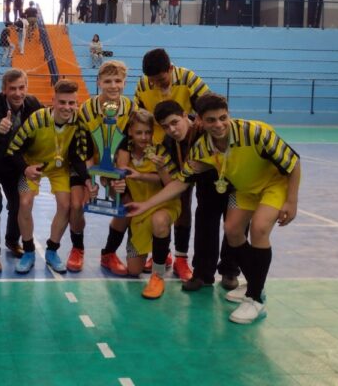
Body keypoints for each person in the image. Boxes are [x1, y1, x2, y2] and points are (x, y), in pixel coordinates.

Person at [127, 93, 301, 324]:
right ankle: (255, 282)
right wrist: (145, 205)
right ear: (200, 120)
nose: (218, 125)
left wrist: (291, 200)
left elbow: (294, 162)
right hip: (244, 190)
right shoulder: (201, 148)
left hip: (272, 186)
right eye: (211, 120)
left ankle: (255, 298)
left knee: (259, 229)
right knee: (232, 230)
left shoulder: (254, 132)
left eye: (222, 118)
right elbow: (181, 181)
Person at [134, 48, 210, 275]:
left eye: (161, 79)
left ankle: (181, 257)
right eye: (153, 81)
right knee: (163, 202)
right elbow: (140, 118)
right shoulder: (144, 85)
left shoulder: (189, 79)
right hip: (160, 151)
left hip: (189, 147)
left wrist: (197, 122)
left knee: (185, 201)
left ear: (170, 69)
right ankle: (161, 253)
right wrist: (145, 150)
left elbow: (209, 108)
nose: (157, 84)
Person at [152, 100, 239, 292]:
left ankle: (230, 271)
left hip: (234, 184)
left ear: (185, 115)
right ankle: (202, 274)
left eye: (175, 122)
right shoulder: (169, 143)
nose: (172, 130)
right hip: (205, 186)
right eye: (166, 127)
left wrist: (211, 164)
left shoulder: (206, 127)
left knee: (234, 228)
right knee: (204, 228)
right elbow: (178, 179)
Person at [6, 79, 91, 274]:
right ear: (53, 100)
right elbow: (13, 150)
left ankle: (52, 250)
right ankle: (28, 251)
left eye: (71, 103)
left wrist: (86, 179)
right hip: (32, 165)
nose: (67, 107)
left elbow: (79, 155)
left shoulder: (78, 122)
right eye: (62, 102)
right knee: (25, 202)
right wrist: (26, 168)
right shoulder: (37, 119)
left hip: (60, 168)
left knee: (66, 205)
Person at [73, 60, 136, 275]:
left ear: (124, 83)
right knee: (77, 202)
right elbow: (85, 148)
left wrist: (120, 177)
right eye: (108, 81)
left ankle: (109, 253)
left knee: (127, 205)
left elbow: (127, 144)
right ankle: (77, 248)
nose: (113, 85)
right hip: (89, 162)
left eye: (118, 81)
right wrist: (89, 180)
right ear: (99, 82)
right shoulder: (86, 110)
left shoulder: (130, 108)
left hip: (116, 163)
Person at [0, 69, 43, 272]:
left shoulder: (33, 104)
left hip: (16, 166)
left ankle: (12, 240)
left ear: (26, 87)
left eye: (21, 87)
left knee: (18, 203)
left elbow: (48, 120)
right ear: (4, 90)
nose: (17, 93)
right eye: (12, 88)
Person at [115, 109, 178, 299]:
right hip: (139, 210)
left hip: (163, 205)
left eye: (148, 132)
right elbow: (113, 189)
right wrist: (115, 186)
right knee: (134, 270)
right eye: (139, 132)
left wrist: (158, 169)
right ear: (131, 134)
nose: (144, 137)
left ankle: (158, 275)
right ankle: (161, 249)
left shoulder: (160, 152)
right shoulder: (123, 155)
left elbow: (169, 184)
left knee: (159, 222)